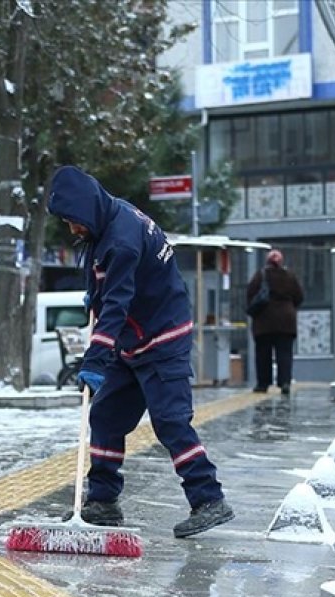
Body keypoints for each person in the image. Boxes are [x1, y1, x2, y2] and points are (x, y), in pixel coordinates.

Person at [46, 165, 234, 539]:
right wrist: (93, 295)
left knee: (170, 421)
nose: (73, 229)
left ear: (86, 209)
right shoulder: (108, 217)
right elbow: (108, 287)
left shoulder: (122, 238)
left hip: (162, 338)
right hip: (131, 341)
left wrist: (95, 359)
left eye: (73, 221)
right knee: (105, 418)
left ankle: (208, 499)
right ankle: (102, 501)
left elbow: (117, 304)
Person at [246, 249, 304, 395]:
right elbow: (299, 296)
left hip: (264, 322)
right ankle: (284, 382)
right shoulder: (290, 276)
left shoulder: (260, 275)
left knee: (263, 354)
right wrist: (289, 306)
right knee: (284, 354)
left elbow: (250, 294)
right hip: (286, 321)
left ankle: (263, 383)